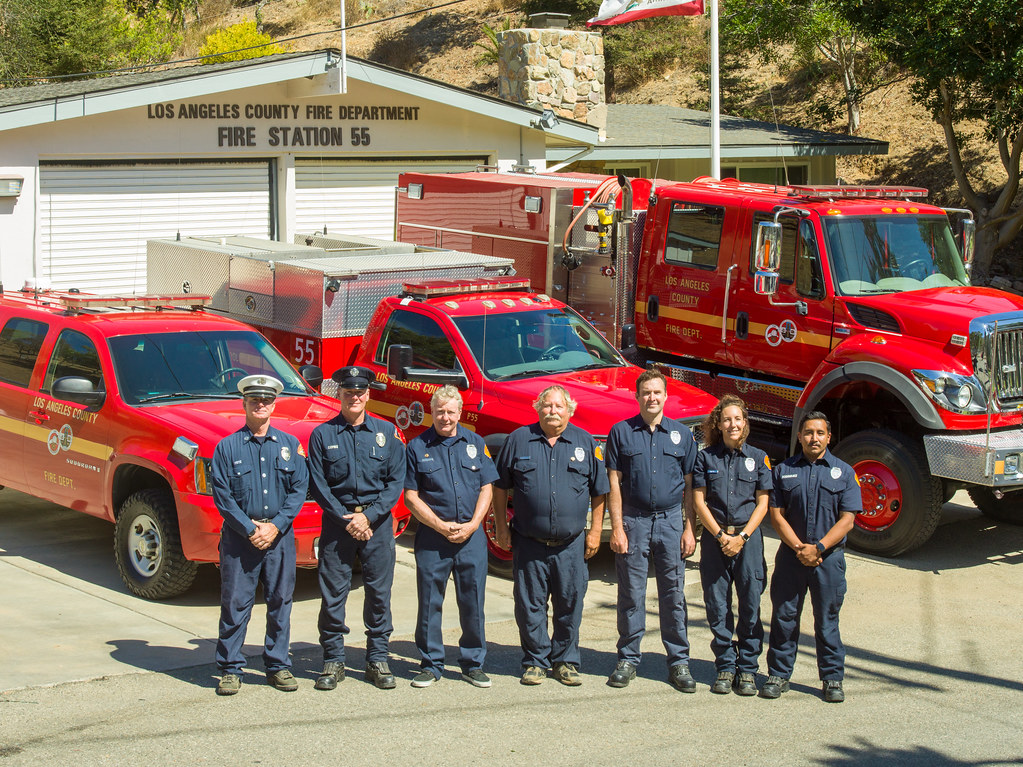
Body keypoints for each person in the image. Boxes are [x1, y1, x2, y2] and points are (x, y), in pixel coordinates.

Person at [493, 385, 608, 686]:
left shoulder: (586, 442)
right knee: (530, 605)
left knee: (570, 604)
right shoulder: (518, 440)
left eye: (558, 406)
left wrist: (596, 531)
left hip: (571, 545)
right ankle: (535, 661)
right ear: (537, 408)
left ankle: (565, 661)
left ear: (570, 410)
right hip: (528, 543)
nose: (552, 411)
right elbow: (499, 486)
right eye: (547, 405)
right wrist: (501, 527)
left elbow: (600, 492)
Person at [308, 365, 405, 691]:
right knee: (332, 595)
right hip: (338, 526)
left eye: (360, 392)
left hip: (376, 525)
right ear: (340, 394)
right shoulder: (322, 435)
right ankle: (333, 660)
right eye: (349, 392)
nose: (354, 397)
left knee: (379, 594)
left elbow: (395, 482)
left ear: (367, 394)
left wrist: (369, 517)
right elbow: (318, 485)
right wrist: (347, 519)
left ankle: (377, 659)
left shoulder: (387, 433)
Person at [211, 374, 309, 696]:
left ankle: (278, 665)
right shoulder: (227, 448)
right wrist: (252, 529)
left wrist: (275, 526)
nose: (260, 405)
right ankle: (230, 669)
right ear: (244, 403)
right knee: (235, 604)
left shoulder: (289, 446)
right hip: (241, 540)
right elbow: (223, 497)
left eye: (266, 400)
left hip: (279, 539)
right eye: (254, 400)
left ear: (274, 405)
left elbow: (299, 489)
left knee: (280, 602)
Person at [604, 368, 699, 692]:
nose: (652, 398)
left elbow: (690, 486)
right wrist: (617, 528)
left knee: (673, 595)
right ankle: (628, 659)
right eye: (646, 393)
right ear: (637, 396)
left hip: (671, 521)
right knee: (631, 594)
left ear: (665, 396)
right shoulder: (621, 432)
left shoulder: (682, 435)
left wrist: (689, 529)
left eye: (657, 392)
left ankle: (679, 662)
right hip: (635, 521)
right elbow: (613, 483)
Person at [760, 411, 860, 703]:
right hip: (791, 558)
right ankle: (779, 675)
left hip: (828, 560)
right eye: (808, 433)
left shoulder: (844, 472)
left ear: (829, 437)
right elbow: (776, 516)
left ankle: (832, 678)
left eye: (819, 433)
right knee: (784, 617)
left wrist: (819, 548)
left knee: (827, 620)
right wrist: (800, 548)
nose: (813, 438)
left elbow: (848, 520)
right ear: (800, 436)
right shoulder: (783, 471)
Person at [404, 386, 499, 688]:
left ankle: (473, 664)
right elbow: (410, 496)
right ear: (432, 412)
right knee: (430, 602)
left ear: (459, 412)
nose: (445, 417)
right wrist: (439, 525)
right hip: (433, 538)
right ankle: (431, 664)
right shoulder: (417, 447)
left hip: (471, 538)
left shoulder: (475, 443)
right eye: (439, 411)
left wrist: (473, 525)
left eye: (450, 411)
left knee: (473, 601)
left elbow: (487, 486)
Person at [692, 394, 772, 696]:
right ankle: (725, 665)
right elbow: (699, 501)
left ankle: (748, 668)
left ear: (745, 422)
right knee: (717, 605)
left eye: (738, 419)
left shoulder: (759, 458)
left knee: (750, 604)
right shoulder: (705, 458)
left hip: (747, 540)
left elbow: (762, 503)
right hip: (716, 540)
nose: (733, 424)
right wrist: (720, 537)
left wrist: (742, 538)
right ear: (718, 424)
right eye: (727, 419)